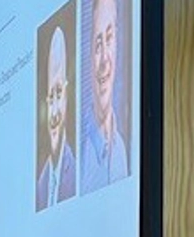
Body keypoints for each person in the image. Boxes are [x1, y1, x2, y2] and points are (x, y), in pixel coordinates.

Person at [80, 0, 129, 193]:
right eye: (98, 44)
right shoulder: (80, 152)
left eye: (109, 38)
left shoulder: (122, 150)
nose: (104, 61)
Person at [36, 25, 77, 212]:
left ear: (67, 96)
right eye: (50, 98)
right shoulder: (40, 186)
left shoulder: (77, 175)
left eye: (58, 94)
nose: (53, 114)